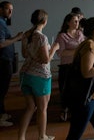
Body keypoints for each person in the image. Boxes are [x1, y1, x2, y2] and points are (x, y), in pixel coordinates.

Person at [18, 9, 57, 140]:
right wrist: (54, 49)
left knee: (30, 107)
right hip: (40, 76)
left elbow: (24, 54)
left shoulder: (26, 35)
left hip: (25, 74)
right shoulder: (42, 37)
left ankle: (21, 137)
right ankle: (42, 136)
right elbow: (46, 59)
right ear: (44, 21)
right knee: (42, 108)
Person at [53, 13, 86, 121]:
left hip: (79, 65)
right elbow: (61, 53)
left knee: (78, 90)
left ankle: (75, 110)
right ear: (68, 22)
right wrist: (77, 50)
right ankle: (65, 110)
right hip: (67, 67)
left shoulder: (80, 33)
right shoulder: (62, 35)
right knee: (66, 89)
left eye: (78, 21)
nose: (77, 23)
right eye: (75, 21)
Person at [0, 1, 23, 127]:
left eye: (11, 10)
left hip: (5, 60)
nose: (10, 12)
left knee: (3, 90)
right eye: (8, 9)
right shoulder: (0, 23)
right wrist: (16, 38)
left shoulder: (2, 22)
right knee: (1, 90)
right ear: (0, 9)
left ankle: (2, 113)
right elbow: (1, 44)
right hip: (3, 61)